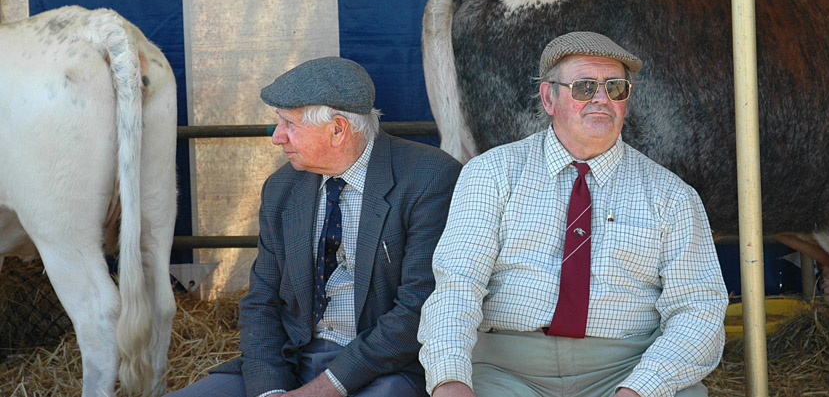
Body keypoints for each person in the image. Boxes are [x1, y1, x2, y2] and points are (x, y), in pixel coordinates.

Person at [417, 31, 728, 397]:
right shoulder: (491, 173)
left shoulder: (671, 195)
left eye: (616, 88)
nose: (602, 99)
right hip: (507, 372)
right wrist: (450, 378)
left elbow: (699, 310)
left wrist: (640, 389)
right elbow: (457, 286)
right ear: (549, 97)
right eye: (583, 87)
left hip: (626, 369)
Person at [168, 56, 462, 397]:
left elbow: (416, 310)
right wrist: (270, 391)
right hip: (290, 361)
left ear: (337, 129)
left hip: (385, 368)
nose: (277, 137)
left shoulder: (429, 178)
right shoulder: (281, 188)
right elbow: (261, 301)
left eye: (289, 124)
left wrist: (325, 389)